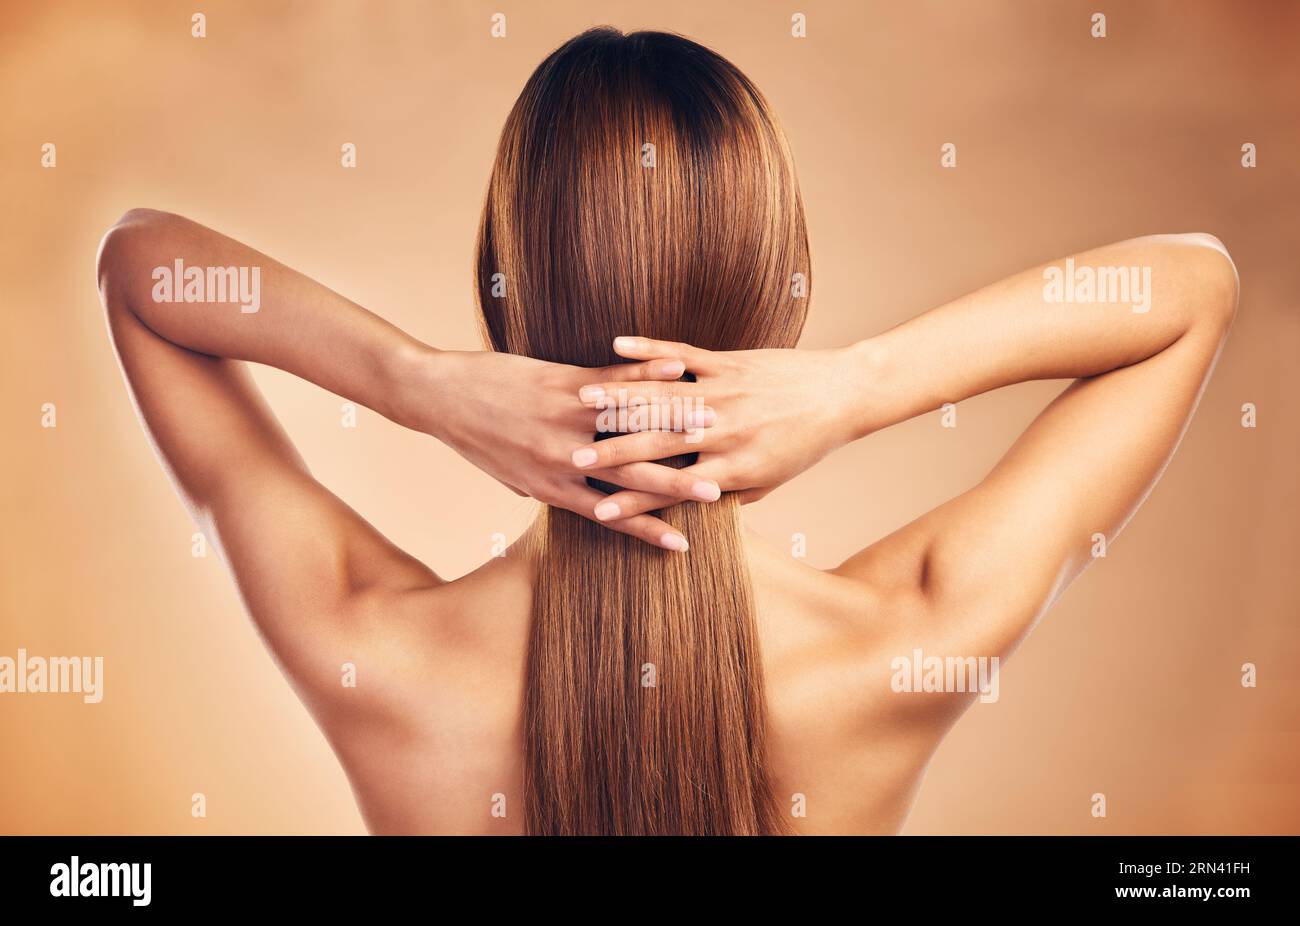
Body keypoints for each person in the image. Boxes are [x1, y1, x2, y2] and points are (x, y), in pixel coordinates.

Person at [95, 28, 1237, 835]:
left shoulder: (369, 644)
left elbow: (141, 266)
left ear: (503, 295)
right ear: (779, 300)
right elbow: (1190, 289)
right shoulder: (910, 630)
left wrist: (419, 382)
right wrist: (856, 386)